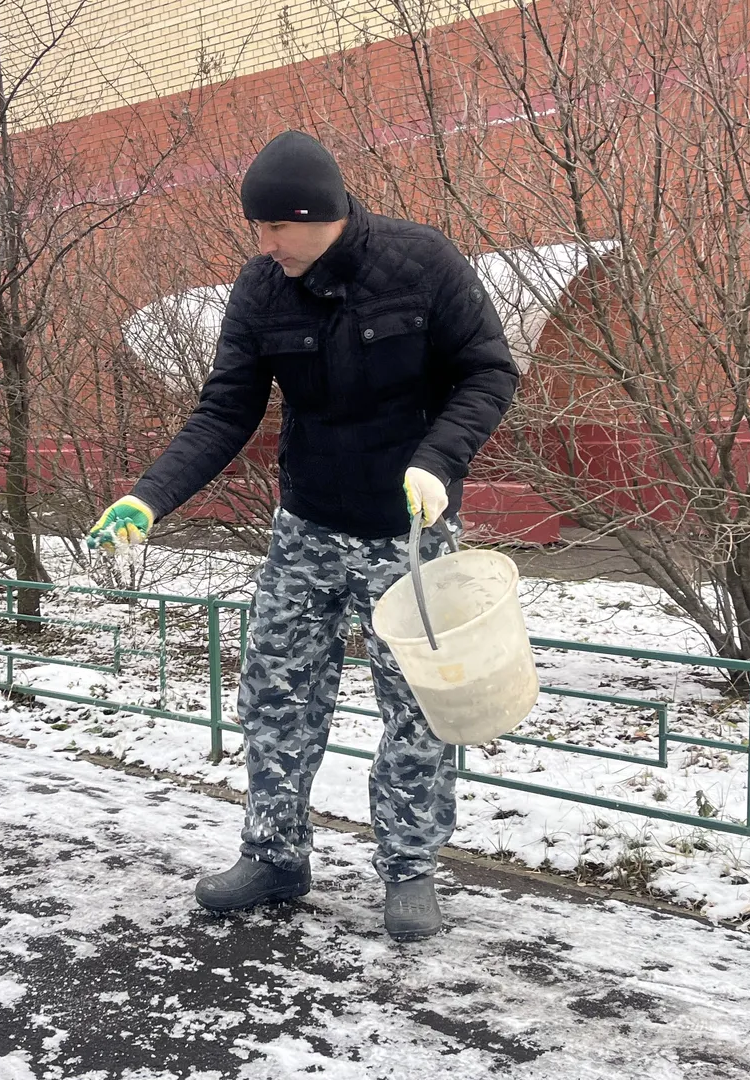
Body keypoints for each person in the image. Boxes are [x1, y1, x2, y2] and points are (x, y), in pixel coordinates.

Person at [87, 131, 517, 940]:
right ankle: (276, 855)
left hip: (410, 534)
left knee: (416, 709)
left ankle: (410, 868)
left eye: (276, 228)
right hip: (307, 528)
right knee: (277, 695)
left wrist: (439, 460)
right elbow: (224, 410)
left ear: (319, 215)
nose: (265, 245)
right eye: (258, 230)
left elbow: (489, 369)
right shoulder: (261, 290)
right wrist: (149, 498)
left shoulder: (422, 261)